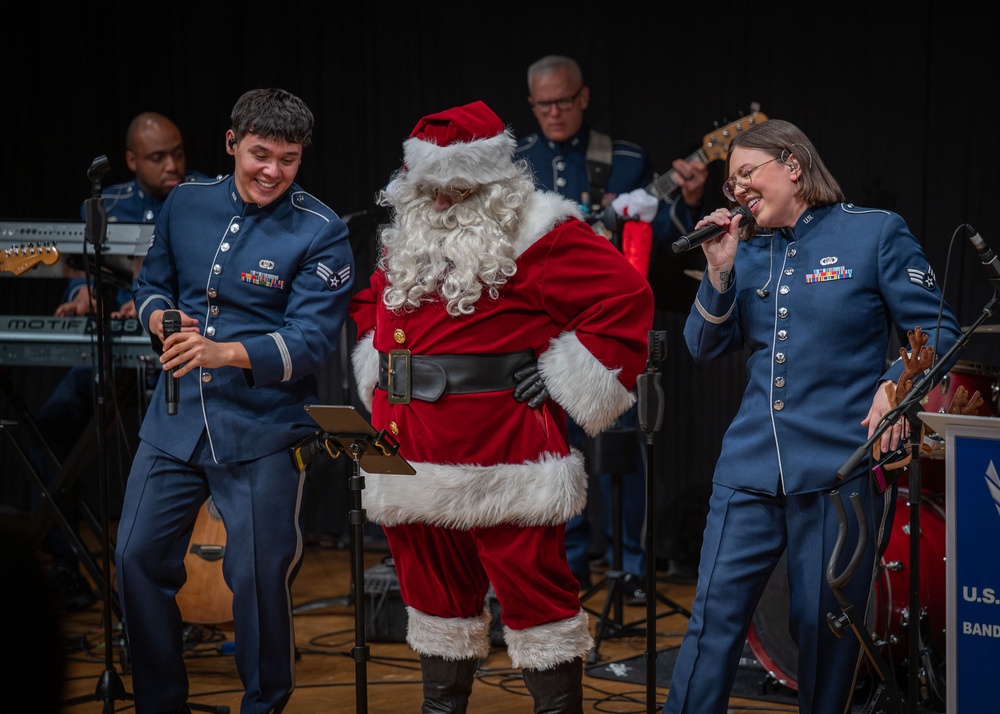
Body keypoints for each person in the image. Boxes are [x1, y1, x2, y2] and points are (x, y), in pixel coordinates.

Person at [349, 100, 654, 712]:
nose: (438, 202)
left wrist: (565, 374)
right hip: (406, 440)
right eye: (427, 187)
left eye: (454, 189)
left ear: (491, 182)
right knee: (431, 591)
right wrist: (376, 363)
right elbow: (370, 304)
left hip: (502, 446)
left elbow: (625, 298)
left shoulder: (541, 232)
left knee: (533, 591)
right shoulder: (406, 234)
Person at [662, 118, 962, 714]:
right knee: (710, 625)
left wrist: (892, 385)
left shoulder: (872, 234)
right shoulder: (745, 252)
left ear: (792, 165)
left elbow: (938, 331)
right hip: (748, 469)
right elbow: (700, 344)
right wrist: (720, 268)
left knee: (824, 633)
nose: (739, 190)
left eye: (747, 173)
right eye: (732, 184)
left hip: (838, 474)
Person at [114, 88, 354, 714]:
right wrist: (160, 316)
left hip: (263, 429)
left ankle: (263, 706)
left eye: (290, 158)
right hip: (175, 419)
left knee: (254, 581)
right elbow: (152, 284)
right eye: (260, 154)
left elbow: (312, 340)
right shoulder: (184, 204)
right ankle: (159, 704)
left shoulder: (321, 231)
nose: (273, 171)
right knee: (135, 558)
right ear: (232, 143)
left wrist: (224, 352)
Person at [514, 54, 708, 594]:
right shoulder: (514, 162)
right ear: (531, 105)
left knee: (619, 450)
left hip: (607, 333)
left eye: (563, 101)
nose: (554, 112)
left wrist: (690, 200)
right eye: (543, 104)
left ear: (583, 98)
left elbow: (667, 242)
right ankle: (566, 565)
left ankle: (629, 568)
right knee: (554, 451)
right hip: (539, 331)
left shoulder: (624, 160)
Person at [21, 112, 207, 612]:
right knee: (49, 433)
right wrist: (85, 294)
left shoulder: (207, 197)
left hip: (179, 357)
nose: (172, 165)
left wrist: (152, 306)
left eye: (178, 153)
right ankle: (65, 566)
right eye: (157, 157)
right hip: (113, 355)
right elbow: (82, 269)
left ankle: (184, 586)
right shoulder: (106, 205)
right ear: (130, 161)